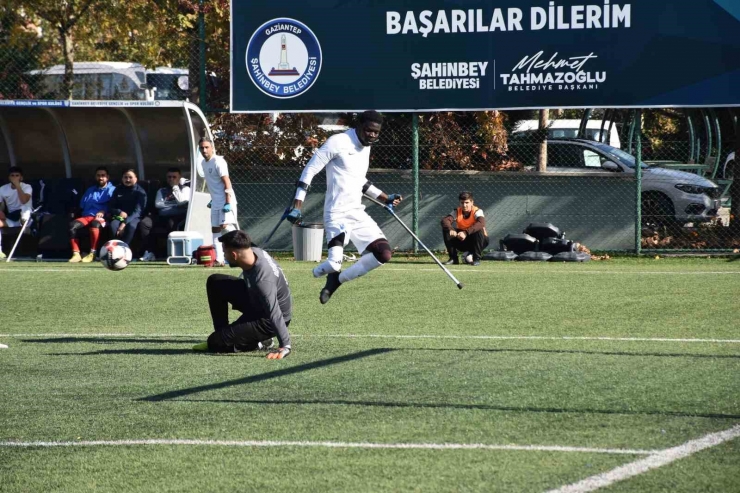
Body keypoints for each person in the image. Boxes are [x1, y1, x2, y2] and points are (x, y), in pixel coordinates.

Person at [286, 110, 403, 304]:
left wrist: (385, 198)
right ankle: (318, 272)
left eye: (376, 132)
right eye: (368, 131)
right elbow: (309, 171)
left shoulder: (366, 146)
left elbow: (359, 181)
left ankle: (336, 281)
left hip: (356, 212)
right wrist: (297, 205)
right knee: (333, 263)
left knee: (384, 254)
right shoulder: (338, 142)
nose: (372, 135)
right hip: (336, 213)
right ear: (358, 125)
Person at [192, 230, 292, 359]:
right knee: (215, 281)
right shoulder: (252, 250)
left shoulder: (263, 280)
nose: (224, 257)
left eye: (224, 253)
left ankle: (260, 342)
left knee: (215, 343)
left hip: (268, 320)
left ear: (234, 255)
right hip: (256, 300)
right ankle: (223, 333)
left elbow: (275, 313)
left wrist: (285, 346)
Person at [197, 136, 237, 266]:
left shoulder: (219, 162)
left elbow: (227, 183)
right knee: (215, 229)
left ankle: (244, 249)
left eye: (207, 147)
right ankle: (219, 259)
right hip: (215, 201)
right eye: (202, 148)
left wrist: (227, 202)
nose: (204, 150)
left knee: (226, 227)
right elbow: (212, 184)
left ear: (212, 148)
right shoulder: (203, 163)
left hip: (225, 200)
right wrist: (212, 200)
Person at [137, 167, 190, 261]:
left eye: (174, 177)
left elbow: (182, 201)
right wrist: (175, 205)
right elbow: (158, 205)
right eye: (169, 177)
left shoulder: (185, 189)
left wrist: (175, 188)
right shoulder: (161, 190)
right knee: (144, 223)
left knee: (171, 223)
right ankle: (150, 252)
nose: (171, 179)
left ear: (179, 178)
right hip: (162, 216)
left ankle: (172, 253)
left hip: (178, 217)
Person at [68, 167, 116, 262]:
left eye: (103, 175)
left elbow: (113, 205)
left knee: (95, 223)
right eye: (98, 175)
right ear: (95, 177)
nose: (100, 178)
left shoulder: (112, 189)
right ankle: (76, 254)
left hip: (104, 217)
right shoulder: (90, 190)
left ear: (107, 177)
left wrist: (103, 211)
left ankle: (93, 253)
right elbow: (82, 205)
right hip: (87, 216)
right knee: (72, 226)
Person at [441, 191, 489, 266]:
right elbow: (445, 220)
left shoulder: (478, 211)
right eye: (462, 202)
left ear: (472, 202)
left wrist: (465, 232)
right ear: (459, 203)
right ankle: (453, 258)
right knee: (446, 230)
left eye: (467, 202)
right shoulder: (456, 211)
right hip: (463, 240)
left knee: (478, 229)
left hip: (480, 241)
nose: (464, 205)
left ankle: (476, 259)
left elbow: (481, 223)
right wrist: (451, 229)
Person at [107, 168, 147, 249]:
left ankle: (125, 249)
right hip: (120, 217)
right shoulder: (117, 189)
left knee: (131, 225)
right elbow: (111, 206)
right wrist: (119, 212)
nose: (127, 180)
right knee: (113, 225)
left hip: (134, 217)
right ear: (122, 179)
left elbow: (138, 212)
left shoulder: (140, 192)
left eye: (130, 177)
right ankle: (116, 249)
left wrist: (124, 223)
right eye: (125, 177)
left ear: (136, 178)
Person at [0, 166, 33, 259]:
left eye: (17, 175)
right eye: (12, 175)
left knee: (25, 214)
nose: (14, 177)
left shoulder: (27, 187)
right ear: (9, 177)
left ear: (21, 177)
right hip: (12, 216)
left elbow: (24, 201)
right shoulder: (2, 189)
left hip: (26, 214)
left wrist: (17, 185)